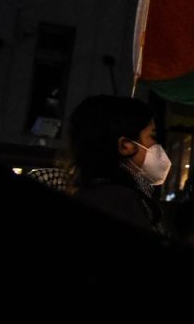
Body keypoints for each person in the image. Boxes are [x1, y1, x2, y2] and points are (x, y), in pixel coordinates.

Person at [68, 95, 167, 230]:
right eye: (152, 136)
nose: (157, 145)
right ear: (125, 145)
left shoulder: (93, 192)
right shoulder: (120, 202)